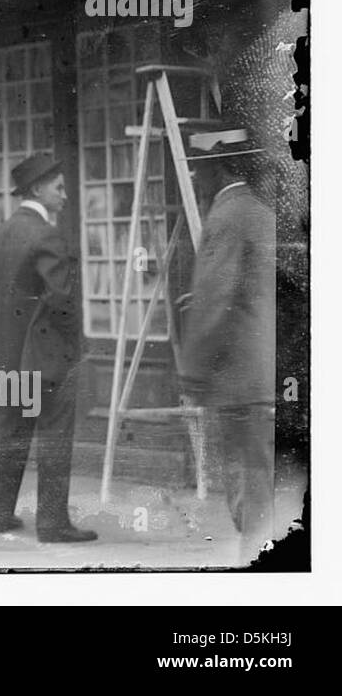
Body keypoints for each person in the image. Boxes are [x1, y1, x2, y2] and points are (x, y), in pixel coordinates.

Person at [0, 153, 96, 542]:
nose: (65, 195)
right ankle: (53, 524)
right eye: (58, 187)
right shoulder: (46, 235)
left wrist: (9, 324)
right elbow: (62, 300)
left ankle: (1, 517)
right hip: (47, 357)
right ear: (38, 189)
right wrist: (71, 345)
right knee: (54, 433)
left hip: (6, 357)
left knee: (9, 432)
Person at [178, 128, 275, 563]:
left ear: (217, 170)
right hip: (262, 372)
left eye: (200, 170)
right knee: (259, 476)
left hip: (237, 377)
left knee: (247, 482)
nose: (196, 179)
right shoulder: (257, 210)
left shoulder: (226, 216)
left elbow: (216, 303)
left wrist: (193, 374)